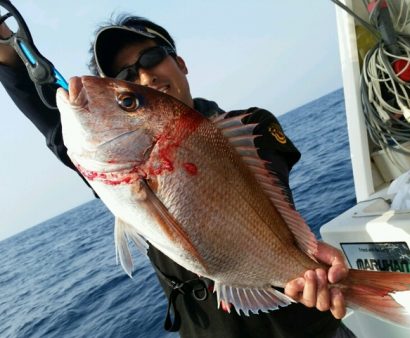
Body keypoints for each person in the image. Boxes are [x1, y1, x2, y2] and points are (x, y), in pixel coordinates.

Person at [0, 14, 355, 338]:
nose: (145, 76)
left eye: (152, 58)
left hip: (308, 326)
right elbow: (56, 122)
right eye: (125, 79)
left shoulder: (251, 125)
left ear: (180, 63)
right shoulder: (114, 168)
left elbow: (269, 194)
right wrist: (9, 54)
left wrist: (304, 264)